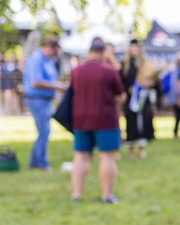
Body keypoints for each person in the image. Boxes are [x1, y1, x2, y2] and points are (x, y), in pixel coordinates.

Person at [69, 38, 126, 203]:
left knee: (80, 156)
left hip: (80, 119)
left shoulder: (77, 71)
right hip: (105, 119)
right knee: (107, 157)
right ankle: (107, 195)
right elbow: (120, 96)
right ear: (103, 53)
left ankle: (77, 194)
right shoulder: (110, 71)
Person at [23, 36, 68, 172]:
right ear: (49, 47)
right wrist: (57, 86)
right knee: (44, 131)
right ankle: (41, 163)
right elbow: (35, 82)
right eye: (55, 52)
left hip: (44, 99)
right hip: (36, 98)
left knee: (43, 131)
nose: (55, 56)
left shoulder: (46, 60)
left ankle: (34, 162)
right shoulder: (37, 59)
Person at [123, 57, 158, 159]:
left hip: (143, 101)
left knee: (143, 124)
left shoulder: (147, 71)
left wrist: (148, 83)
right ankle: (131, 149)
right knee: (131, 124)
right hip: (131, 102)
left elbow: (155, 84)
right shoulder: (128, 70)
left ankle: (141, 148)